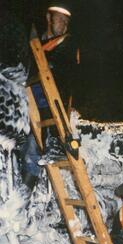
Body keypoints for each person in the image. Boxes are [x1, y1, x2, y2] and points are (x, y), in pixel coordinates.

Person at [20, 1, 79, 190]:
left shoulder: (67, 43)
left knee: (33, 149)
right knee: (28, 151)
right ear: (48, 18)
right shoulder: (34, 44)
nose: (63, 24)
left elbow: (64, 71)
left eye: (66, 21)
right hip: (31, 104)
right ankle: (23, 193)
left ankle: (54, 142)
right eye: (59, 19)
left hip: (52, 104)